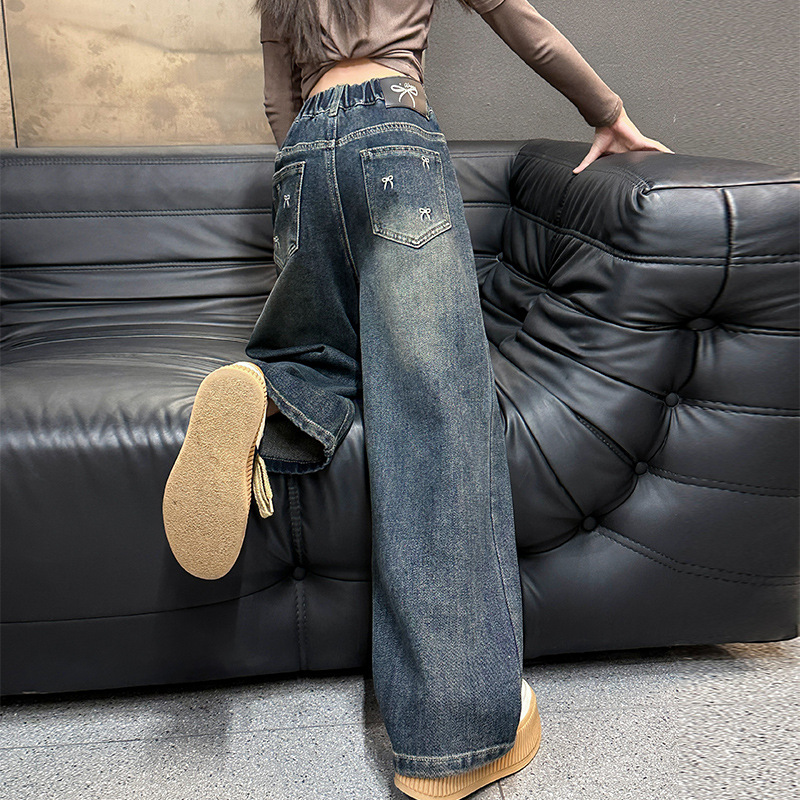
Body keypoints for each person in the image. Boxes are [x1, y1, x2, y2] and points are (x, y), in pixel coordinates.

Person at [162, 1, 673, 797]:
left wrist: (311, 165)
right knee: (436, 413)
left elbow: (276, 100)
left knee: (318, 350)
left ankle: (269, 397)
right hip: (395, 138)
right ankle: (457, 738)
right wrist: (608, 114)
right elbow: (523, 23)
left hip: (304, 157)